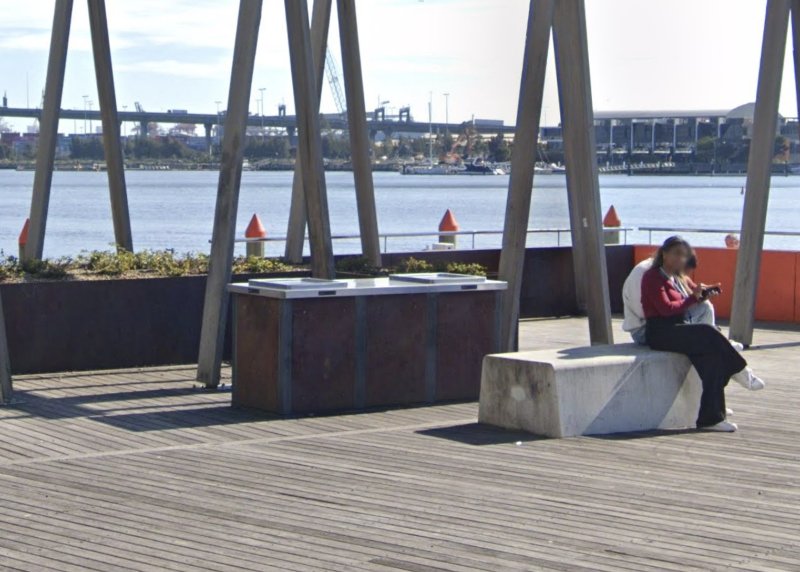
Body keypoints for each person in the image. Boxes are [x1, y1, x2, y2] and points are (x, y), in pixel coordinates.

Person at [641, 236, 764, 433]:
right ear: (664, 254)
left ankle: (711, 418)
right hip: (661, 332)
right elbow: (666, 309)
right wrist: (692, 298)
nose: (679, 259)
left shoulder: (679, 277)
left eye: (683, 256)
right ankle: (739, 370)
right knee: (708, 331)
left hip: (680, 327)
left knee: (712, 360)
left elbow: (691, 298)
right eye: (675, 254)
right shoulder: (652, 277)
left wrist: (703, 294)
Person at [622, 248, 733, 345]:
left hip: (667, 322)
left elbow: (690, 292)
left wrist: (701, 294)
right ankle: (711, 341)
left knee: (705, 306)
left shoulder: (670, 270)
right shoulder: (646, 273)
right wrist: (686, 304)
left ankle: (712, 339)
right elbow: (650, 312)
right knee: (700, 312)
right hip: (645, 330)